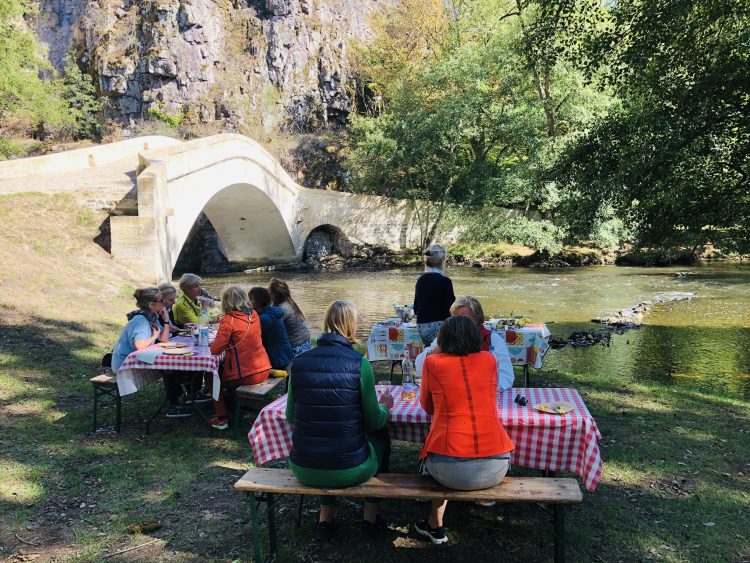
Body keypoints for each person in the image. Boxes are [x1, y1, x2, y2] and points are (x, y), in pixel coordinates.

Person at [286, 300, 394, 541]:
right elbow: (375, 421)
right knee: (381, 437)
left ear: (325, 324)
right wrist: (385, 407)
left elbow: (291, 416)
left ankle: (325, 520)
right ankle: (370, 518)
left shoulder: (300, 362)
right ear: (351, 327)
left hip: (303, 467)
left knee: (323, 440)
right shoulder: (360, 364)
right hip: (349, 469)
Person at [415, 316, 515, 545]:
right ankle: (433, 523)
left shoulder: (433, 362)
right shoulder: (489, 360)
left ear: (443, 339)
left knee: (430, 458)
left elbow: (427, 407)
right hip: (496, 465)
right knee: (440, 455)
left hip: (450, 470)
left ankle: (435, 523)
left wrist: (436, 351)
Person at [112, 288, 194, 418]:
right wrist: (154, 335)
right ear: (151, 305)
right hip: (124, 364)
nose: (164, 302)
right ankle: (174, 406)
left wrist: (166, 320)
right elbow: (139, 346)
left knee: (176, 370)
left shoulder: (153, 315)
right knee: (172, 370)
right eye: (161, 300)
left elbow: (164, 339)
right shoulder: (140, 320)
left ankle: (183, 398)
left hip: (140, 358)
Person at [415, 296, 514, 391]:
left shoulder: (491, 338)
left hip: (484, 393)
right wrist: (440, 346)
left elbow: (506, 375)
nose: (458, 322)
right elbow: (420, 368)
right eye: (455, 317)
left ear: (476, 319)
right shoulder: (445, 337)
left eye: (463, 318)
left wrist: (486, 388)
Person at [208, 286, 271, 430]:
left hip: (246, 375)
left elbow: (215, 350)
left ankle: (222, 417)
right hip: (264, 369)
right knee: (225, 369)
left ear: (226, 302)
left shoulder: (229, 320)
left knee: (211, 375)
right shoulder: (253, 314)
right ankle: (233, 402)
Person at [413, 243, 455, 345]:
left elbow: (416, 309)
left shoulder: (420, 280)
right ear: (443, 260)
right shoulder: (445, 281)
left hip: (421, 327)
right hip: (440, 329)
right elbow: (452, 309)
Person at [248, 287, 294, 370]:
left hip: (278, 360)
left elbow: (248, 334)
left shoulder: (265, 318)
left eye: (250, 299)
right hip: (286, 355)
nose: (248, 302)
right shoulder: (271, 311)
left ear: (258, 303)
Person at [268, 277, 312, 356]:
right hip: (307, 341)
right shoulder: (290, 303)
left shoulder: (281, 310)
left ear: (273, 294)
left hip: (296, 347)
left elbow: (272, 330)